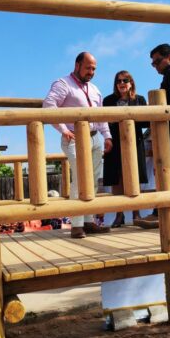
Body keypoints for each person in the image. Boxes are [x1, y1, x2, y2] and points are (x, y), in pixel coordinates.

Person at [43, 51, 113, 239]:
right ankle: (76, 225)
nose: (91, 72)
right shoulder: (63, 84)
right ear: (77, 65)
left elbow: (100, 115)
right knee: (80, 179)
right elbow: (49, 105)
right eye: (88, 68)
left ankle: (88, 221)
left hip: (95, 138)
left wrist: (107, 136)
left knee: (94, 180)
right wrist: (63, 129)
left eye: (94, 69)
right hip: (74, 138)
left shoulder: (95, 89)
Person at [136, 43, 170, 228]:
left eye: (157, 61)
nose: (155, 66)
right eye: (153, 63)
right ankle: (164, 211)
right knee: (168, 167)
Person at [102, 71, 149, 227]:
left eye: (125, 80)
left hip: (134, 143)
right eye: (118, 81)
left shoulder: (140, 100)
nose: (122, 83)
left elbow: (147, 122)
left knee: (134, 176)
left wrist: (129, 119)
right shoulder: (108, 100)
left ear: (131, 82)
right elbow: (104, 122)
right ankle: (119, 215)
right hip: (114, 144)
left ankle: (136, 214)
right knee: (117, 179)